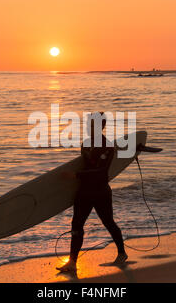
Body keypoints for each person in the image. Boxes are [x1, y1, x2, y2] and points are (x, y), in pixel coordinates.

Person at [57, 112, 127, 272]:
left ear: (101, 126)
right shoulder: (86, 143)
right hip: (84, 191)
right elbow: (85, 166)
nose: (89, 128)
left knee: (108, 222)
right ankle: (72, 263)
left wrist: (75, 175)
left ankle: (122, 253)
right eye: (89, 125)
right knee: (76, 224)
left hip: (100, 191)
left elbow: (102, 172)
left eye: (93, 125)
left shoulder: (108, 146)